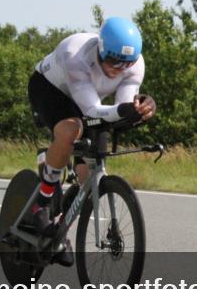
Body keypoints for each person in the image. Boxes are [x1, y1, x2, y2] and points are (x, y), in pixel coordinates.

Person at [27, 17, 156, 265]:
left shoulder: (135, 65)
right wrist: (123, 111)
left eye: (126, 63)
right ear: (100, 49)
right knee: (71, 129)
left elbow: (122, 106)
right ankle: (40, 203)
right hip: (50, 89)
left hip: (85, 97)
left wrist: (139, 110)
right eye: (113, 60)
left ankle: (58, 233)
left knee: (89, 175)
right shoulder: (75, 54)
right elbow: (92, 109)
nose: (119, 68)